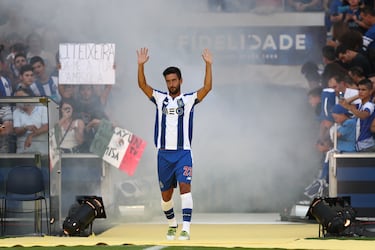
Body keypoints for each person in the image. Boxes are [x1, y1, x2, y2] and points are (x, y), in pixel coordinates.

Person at [137, 47, 212, 241]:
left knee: (185, 189)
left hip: (183, 153)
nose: (171, 84)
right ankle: (172, 224)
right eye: (168, 81)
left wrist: (208, 65)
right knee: (165, 197)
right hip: (163, 155)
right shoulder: (160, 98)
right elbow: (142, 85)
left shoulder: (188, 100)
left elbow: (207, 88)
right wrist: (140, 65)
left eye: (174, 80)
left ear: (180, 81)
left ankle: (186, 228)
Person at [340, 78, 375, 151]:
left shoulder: (370, 105)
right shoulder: (360, 105)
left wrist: (350, 108)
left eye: (363, 90)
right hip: (360, 145)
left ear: (371, 91)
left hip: (367, 144)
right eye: (359, 89)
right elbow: (343, 103)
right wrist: (358, 95)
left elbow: (364, 115)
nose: (360, 92)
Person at [13, 87, 48, 154]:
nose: (20, 100)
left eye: (22, 97)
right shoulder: (16, 112)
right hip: (23, 152)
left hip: (41, 152)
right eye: (17, 98)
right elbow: (17, 131)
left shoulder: (42, 108)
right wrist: (25, 128)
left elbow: (46, 126)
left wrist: (31, 135)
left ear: (30, 96)